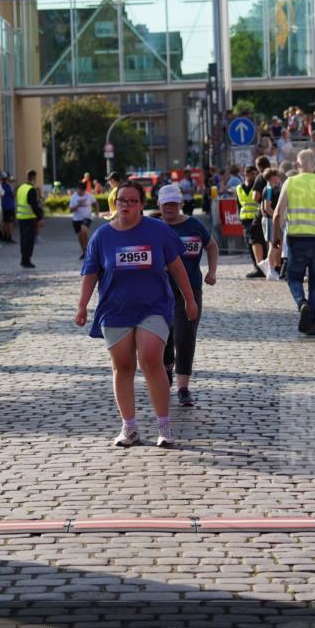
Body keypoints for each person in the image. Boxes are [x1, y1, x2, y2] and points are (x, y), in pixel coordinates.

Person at [75, 180, 197, 449]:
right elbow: (91, 273)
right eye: (121, 201)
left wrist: (189, 299)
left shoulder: (158, 231)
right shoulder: (102, 236)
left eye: (132, 201)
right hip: (115, 308)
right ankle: (129, 427)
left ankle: (164, 427)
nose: (126, 205)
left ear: (142, 205)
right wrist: (82, 305)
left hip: (153, 306)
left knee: (152, 357)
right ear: (114, 204)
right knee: (123, 366)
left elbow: (177, 267)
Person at [156, 183, 218, 405]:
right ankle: (166, 366)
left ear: (180, 204)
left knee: (185, 336)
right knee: (163, 337)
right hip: (159, 292)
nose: (169, 208)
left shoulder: (194, 226)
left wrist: (212, 272)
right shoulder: (153, 228)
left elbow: (212, 246)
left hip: (190, 289)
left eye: (173, 204)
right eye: (166, 204)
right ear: (159, 205)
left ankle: (183, 388)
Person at [272, 149, 315, 336]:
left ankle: (302, 303)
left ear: (298, 164)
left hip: (298, 239)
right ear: (314, 162)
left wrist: (275, 238)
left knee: (293, 277)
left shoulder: (291, 182)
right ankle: (311, 323)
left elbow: (277, 213)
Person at [236, 165, 265, 279]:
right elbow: (238, 204)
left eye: (255, 174)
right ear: (246, 174)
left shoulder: (257, 186)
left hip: (256, 219)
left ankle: (261, 267)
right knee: (249, 244)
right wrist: (240, 217)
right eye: (252, 174)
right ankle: (257, 267)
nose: (254, 176)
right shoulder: (239, 188)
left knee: (258, 243)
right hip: (245, 220)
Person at [16, 169, 43, 269]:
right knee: (29, 240)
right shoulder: (31, 189)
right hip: (29, 218)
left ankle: (23, 259)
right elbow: (34, 205)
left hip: (21, 217)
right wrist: (40, 217)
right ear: (34, 178)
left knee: (23, 240)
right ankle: (26, 261)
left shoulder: (21, 188)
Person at [69, 180, 99, 259]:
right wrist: (79, 205)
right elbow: (71, 210)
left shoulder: (89, 196)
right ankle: (84, 251)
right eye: (80, 190)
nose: (82, 192)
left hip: (87, 217)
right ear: (77, 189)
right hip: (76, 219)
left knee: (84, 229)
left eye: (83, 190)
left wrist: (97, 212)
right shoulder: (73, 197)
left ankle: (87, 249)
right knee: (80, 236)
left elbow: (95, 203)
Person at [0, 172, 16, 243]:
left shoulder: (0, 186)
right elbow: (12, 195)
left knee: (5, 222)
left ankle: (5, 236)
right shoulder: (8, 186)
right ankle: (10, 237)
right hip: (10, 206)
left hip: (4, 206)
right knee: (10, 222)